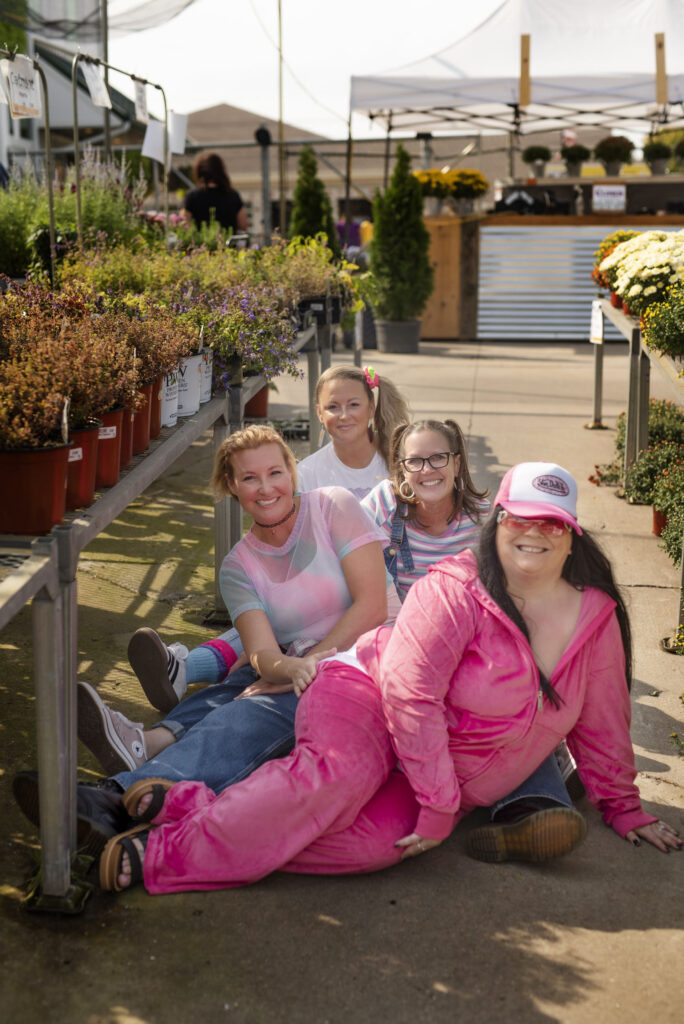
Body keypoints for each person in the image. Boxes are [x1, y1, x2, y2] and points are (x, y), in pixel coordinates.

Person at [99, 461, 681, 893]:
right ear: (497, 520)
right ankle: (164, 853)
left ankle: (199, 807)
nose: (535, 532)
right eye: (521, 518)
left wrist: (624, 806)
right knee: (335, 782)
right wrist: (438, 803)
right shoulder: (455, 588)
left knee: (371, 849)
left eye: (551, 523)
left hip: (435, 771)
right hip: (367, 697)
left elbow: (603, 718)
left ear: (571, 533)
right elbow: (409, 693)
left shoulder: (594, 618)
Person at [68, 425, 399, 824]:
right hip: (307, 665)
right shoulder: (238, 566)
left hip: (374, 656)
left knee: (249, 711)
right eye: (249, 478)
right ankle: (146, 751)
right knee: (237, 683)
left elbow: (373, 607)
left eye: (275, 473)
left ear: (291, 472)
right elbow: (261, 652)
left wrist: (299, 667)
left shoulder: (334, 505)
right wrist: (286, 668)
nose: (266, 488)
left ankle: (124, 797)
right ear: (231, 484)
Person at [124, 364, 409, 713]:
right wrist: (273, 660)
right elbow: (291, 530)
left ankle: (187, 667)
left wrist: (288, 663)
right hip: (327, 571)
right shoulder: (307, 472)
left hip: (387, 568)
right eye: (332, 406)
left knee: (273, 634)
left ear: (372, 407)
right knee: (272, 622)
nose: (343, 414)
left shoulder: (396, 460)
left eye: (353, 405)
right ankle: (181, 687)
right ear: (318, 413)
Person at [182, 152, 248, 235]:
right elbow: (243, 225)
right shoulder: (232, 195)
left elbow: (184, 224)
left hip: (200, 246)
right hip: (229, 246)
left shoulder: (192, 196)